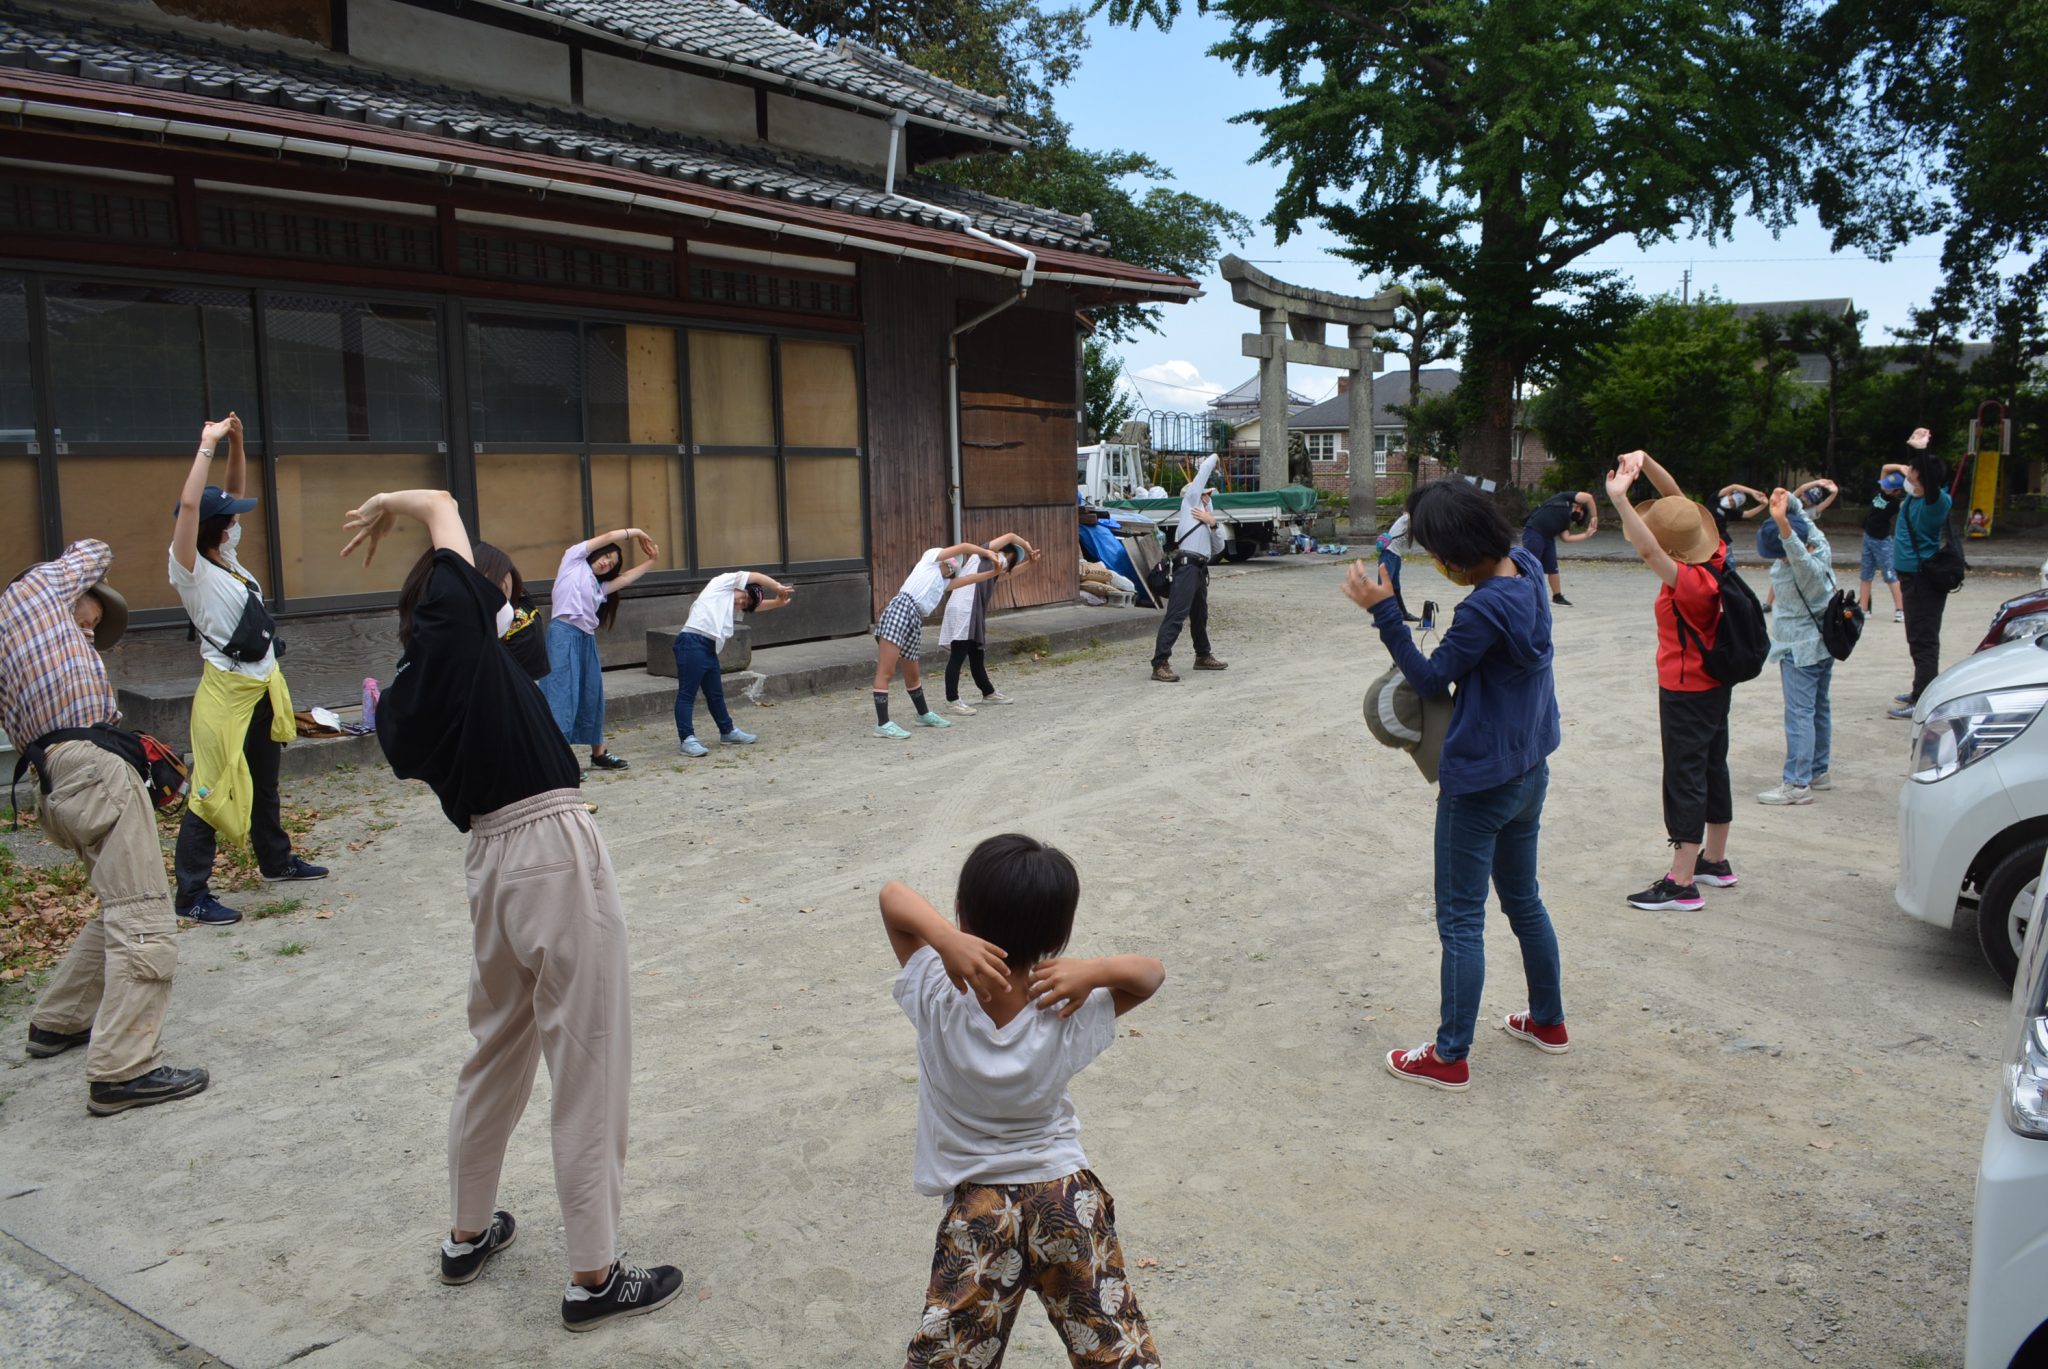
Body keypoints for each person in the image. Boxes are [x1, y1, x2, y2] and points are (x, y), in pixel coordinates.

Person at [340, 489, 680, 1332]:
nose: (517, 605)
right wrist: (406, 504)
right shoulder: (461, 641)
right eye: (508, 592)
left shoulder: (415, 692)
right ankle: (595, 1273)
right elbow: (447, 511)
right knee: (589, 1054)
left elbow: (519, 647)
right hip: (553, 847)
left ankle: (466, 1232)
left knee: (495, 1049)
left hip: (490, 861)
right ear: (468, 594)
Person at [881, 835, 1164, 1367]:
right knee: (1114, 1350)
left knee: (952, 1357)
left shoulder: (938, 993)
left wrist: (945, 940)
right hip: (1066, 1197)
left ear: (962, 912)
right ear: (1060, 935)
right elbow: (1150, 974)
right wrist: (1094, 971)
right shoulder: (1065, 1007)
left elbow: (893, 896)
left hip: (980, 1212)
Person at [1342, 479, 1566, 1091]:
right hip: (1530, 768)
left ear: (1457, 558)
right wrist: (1405, 526)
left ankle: (1450, 1055)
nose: (1437, 566)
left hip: (1480, 784)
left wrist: (1384, 612)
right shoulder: (1523, 567)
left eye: (1438, 556)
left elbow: (1431, 677)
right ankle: (1548, 1021)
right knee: (1524, 899)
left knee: (1462, 919)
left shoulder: (1483, 608)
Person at [4, 538, 210, 1115]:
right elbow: (96, 548)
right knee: (143, 908)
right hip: (91, 770)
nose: (92, 633)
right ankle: (122, 1070)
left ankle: (58, 1022)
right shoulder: (40, 591)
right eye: (92, 620)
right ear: (74, 594)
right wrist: (66, 575)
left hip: (56, 781)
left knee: (118, 903)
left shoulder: (8, 644)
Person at [167, 413, 325, 927]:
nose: (237, 520)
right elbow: (192, 504)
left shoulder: (226, 556)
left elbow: (227, 495)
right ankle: (192, 895)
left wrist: (238, 442)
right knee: (210, 793)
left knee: (264, 780)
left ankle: (275, 863)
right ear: (215, 527)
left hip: (261, 685)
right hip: (225, 694)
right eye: (230, 517)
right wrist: (207, 443)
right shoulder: (189, 569)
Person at [1605, 450, 1741, 912]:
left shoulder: (1688, 581)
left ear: (1674, 550)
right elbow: (1677, 503)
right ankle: (1715, 860)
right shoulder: (1715, 555)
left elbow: (1648, 549)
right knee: (1711, 765)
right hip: (1715, 685)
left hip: (1686, 689)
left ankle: (1682, 881)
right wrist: (1648, 461)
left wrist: (1620, 499)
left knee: (1684, 776)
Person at [537, 528, 660, 771]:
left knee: (591, 694)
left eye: (612, 563)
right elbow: (607, 538)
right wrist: (635, 532)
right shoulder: (573, 561)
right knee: (561, 695)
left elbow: (625, 580)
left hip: (586, 638)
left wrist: (652, 561)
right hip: (563, 634)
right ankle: (557, 760)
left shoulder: (597, 586)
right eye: (606, 557)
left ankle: (598, 753)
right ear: (595, 553)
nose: (606, 563)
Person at [871, 540, 1007, 738]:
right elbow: (965, 547)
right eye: (951, 562)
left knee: (913, 674)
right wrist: (986, 553)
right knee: (887, 670)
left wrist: (993, 573)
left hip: (915, 618)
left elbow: (970, 579)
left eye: (954, 567)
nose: (952, 566)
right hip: (901, 609)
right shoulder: (930, 560)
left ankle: (923, 714)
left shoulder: (944, 582)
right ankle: (882, 724)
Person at [1755, 489, 1836, 805]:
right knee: (1819, 708)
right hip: (1823, 643)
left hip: (1800, 649)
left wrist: (1783, 527)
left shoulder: (1803, 567)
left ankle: (1797, 783)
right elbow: (1802, 520)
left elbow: (1794, 548)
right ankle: (1818, 770)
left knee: (1800, 713)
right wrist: (1787, 500)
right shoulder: (1820, 547)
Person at [672, 570, 791, 756]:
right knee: (687, 694)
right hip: (692, 641)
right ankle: (687, 739)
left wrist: (777, 603)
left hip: (708, 647)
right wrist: (777, 587)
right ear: (739, 587)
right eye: (743, 596)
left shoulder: (731, 605)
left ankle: (727, 732)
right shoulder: (721, 583)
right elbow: (756, 576)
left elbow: (755, 605)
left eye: (744, 604)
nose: (740, 603)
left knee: (715, 694)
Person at [1886, 430, 1951, 720]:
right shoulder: (1915, 497)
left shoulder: (1937, 503)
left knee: (1924, 641)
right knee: (1916, 639)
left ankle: (1923, 701)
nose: (1907, 481)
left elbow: (1930, 482)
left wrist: (1922, 454)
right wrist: (1914, 452)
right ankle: (1918, 690)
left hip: (1924, 582)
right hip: (1911, 580)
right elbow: (1918, 474)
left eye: (1913, 478)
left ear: (1925, 481)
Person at [1151, 453, 1231, 681]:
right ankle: (1160, 663)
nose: (1208, 497)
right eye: (1206, 494)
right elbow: (1202, 473)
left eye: (1208, 495)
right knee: (1177, 615)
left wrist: (1213, 523)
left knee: (1199, 615)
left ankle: (1203, 656)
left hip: (1199, 568)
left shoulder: (1206, 518)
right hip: (1186, 567)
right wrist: (1215, 456)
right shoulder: (1189, 506)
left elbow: (1218, 548)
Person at [940, 534, 1038, 714]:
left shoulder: (991, 571)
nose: (1007, 563)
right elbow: (1010, 535)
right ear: (999, 551)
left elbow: (1007, 576)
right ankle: (952, 700)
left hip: (972, 610)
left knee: (977, 654)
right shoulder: (982, 555)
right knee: (958, 655)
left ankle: (988, 692)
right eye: (1008, 557)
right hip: (964, 608)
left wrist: (1031, 563)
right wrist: (1027, 545)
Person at [1759, 480, 1838, 611]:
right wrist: (1817, 482)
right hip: (1795, 544)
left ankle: (1771, 603)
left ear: (1814, 502)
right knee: (1780, 572)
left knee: (1786, 574)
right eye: (1806, 496)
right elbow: (1797, 491)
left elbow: (1824, 504)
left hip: (1798, 546)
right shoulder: (1793, 507)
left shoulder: (1811, 511)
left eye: (1810, 499)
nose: (1806, 499)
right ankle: (1768, 602)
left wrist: (1833, 495)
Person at [1518, 489, 1598, 605]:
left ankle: (1557, 596)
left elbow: (1566, 538)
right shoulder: (1563, 497)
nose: (1577, 519)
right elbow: (1589, 497)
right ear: (1580, 507)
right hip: (1534, 532)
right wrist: (1594, 516)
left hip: (1548, 538)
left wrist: (1586, 535)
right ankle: (1523, 594)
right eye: (1580, 517)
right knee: (1531, 565)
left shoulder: (1565, 520)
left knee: (1553, 568)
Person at [1860, 472, 1907, 624]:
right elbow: (1886, 468)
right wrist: (1900, 467)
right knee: (1865, 575)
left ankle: (1900, 610)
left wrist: (1910, 482)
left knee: (1890, 576)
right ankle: (1863, 609)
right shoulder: (1881, 492)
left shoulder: (1895, 503)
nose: (1884, 487)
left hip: (1882, 542)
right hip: (1868, 537)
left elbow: (1910, 501)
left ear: (1897, 491)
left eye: (1888, 487)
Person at [1377, 510, 1421, 622]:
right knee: (1384, 585)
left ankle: (1403, 613)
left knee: (1396, 588)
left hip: (1395, 555)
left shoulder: (1409, 523)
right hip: (1388, 554)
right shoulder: (1406, 518)